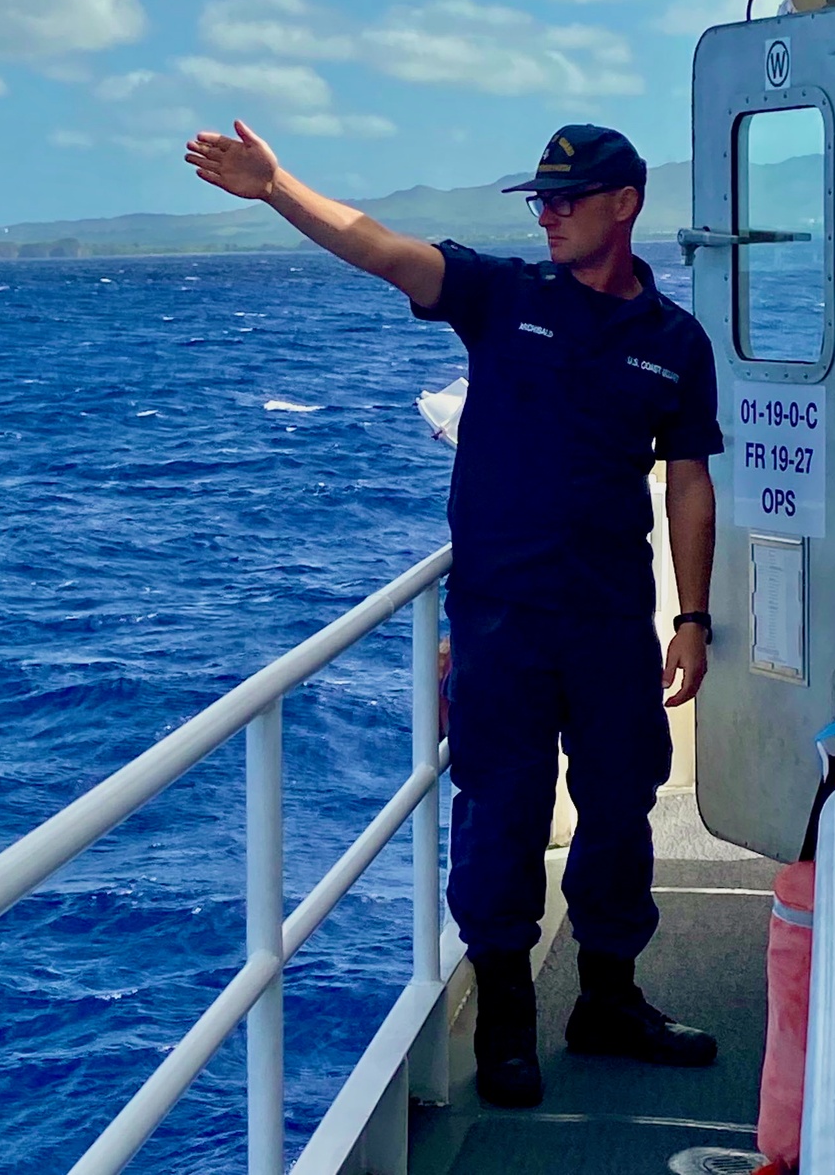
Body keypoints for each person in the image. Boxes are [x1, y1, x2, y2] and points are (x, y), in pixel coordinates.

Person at [185, 120, 723, 1109]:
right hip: (498, 622)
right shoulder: (501, 296)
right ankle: (507, 1030)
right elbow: (375, 244)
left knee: (619, 805)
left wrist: (691, 616)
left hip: (611, 619)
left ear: (625, 203)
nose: (549, 213)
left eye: (568, 197)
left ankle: (606, 998)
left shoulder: (674, 344)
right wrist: (273, 187)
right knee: (501, 812)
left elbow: (687, 482)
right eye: (541, 199)